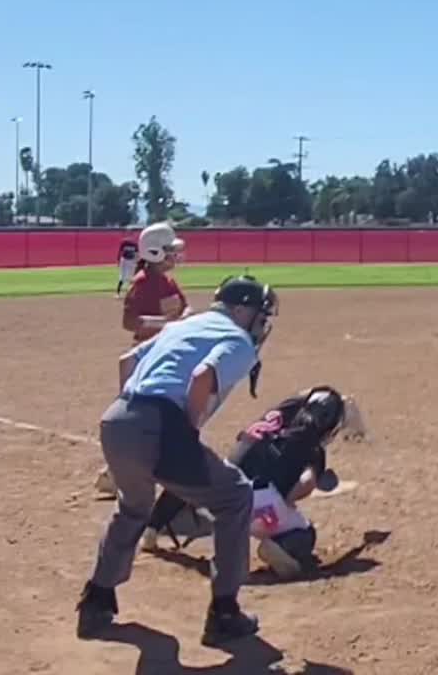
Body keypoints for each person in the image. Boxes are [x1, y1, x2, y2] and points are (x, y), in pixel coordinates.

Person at [74, 275, 279, 646]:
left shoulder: (185, 324)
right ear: (239, 309)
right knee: (234, 496)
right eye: (258, 314)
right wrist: (184, 430)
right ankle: (225, 613)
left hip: (117, 419)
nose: (261, 324)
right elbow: (203, 377)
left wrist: (138, 421)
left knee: (134, 508)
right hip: (160, 426)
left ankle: (96, 602)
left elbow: (127, 361)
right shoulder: (237, 339)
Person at [143, 385, 371, 579]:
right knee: (305, 532)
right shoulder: (314, 448)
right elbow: (307, 483)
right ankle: (280, 546)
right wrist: (287, 501)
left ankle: (153, 527)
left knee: (194, 474)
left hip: (222, 493)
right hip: (261, 509)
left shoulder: (271, 418)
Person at [96, 223, 191, 497]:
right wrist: (167, 324)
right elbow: (130, 322)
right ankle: (116, 473)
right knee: (145, 419)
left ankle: (114, 474)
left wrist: (185, 317)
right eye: (170, 251)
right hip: (147, 358)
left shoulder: (168, 282)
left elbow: (183, 308)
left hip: (167, 355)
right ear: (154, 252)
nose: (175, 256)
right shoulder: (142, 283)